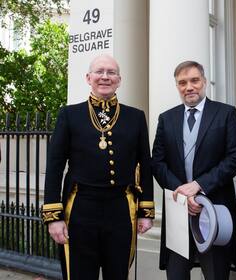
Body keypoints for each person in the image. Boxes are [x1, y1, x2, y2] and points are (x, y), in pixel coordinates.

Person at [42, 54, 154, 280]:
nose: (105, 77)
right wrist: (54, 217)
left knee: (118, 274)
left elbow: (145, 165)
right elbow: (54, 167)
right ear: (88, 78)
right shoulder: (69, 115)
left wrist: (145, 211)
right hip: (81, 208)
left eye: (111, 72)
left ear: (119, 80)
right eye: (99, 72)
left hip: (121, 209)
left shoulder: (135, 117)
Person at [152, 60, 236, 280]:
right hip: (178, 209)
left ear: (204, 81)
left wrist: (199, 186)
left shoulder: (226, 113)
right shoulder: (167, 118)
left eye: (194, 80)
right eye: (182, 83)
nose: (189, 87)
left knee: (215, 273)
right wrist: (182, 192)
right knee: (176, 274)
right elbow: (157, 162)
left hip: (214, 206)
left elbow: (234, 158)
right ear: (177, 86)